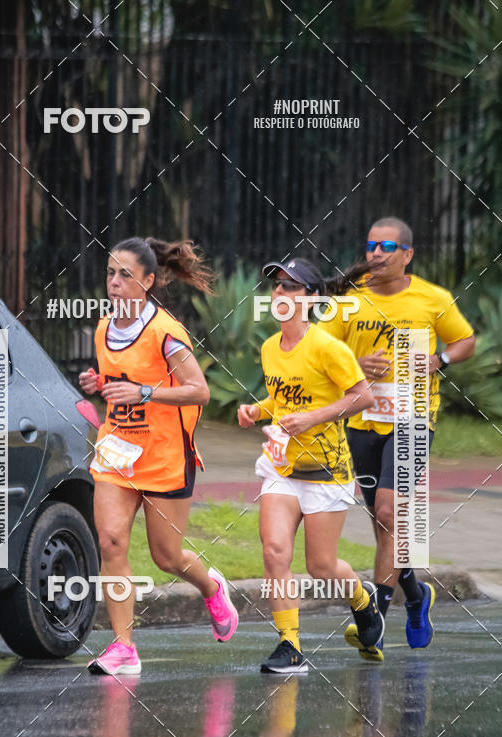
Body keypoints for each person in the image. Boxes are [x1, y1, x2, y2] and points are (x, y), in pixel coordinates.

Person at [79, 236, 238, 676]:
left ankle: (211, 588)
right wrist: (99, 383)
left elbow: (199, 391)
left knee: (166, 557)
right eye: (110, 273)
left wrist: (144, 391)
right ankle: (124, 647)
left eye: (125, 275)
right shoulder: (102, 327)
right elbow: (121, 381)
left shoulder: (165, 332)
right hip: (118, 452)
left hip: (166, 455)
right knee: (110, 541)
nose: (114, 282)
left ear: (148, 281)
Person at [318, 217, 475, 656]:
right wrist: (354, 362)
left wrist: (439, 359)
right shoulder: (351, 299)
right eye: (370, 245)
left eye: (387, 246)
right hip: (363, 422)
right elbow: (321, 349)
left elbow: (465, 340)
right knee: (382, 522)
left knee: (389, 511)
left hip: (412, 418)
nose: (376, 253)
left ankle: (376, 619)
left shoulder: (432, 298)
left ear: (407, 254)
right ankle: (417, 593)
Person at [238, 256, 384, 673]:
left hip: (327, 470)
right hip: (282, 467)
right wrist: (256, 409)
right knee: (275, 552)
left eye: (291, 287)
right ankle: (290, 645)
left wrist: (313, 418)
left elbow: (362, 397)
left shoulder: (328, 348)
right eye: (277, 287)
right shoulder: (270, 348)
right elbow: (284, 401)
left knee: (321, 566)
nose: (281, 294)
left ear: (312, 299)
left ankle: (361, 599)